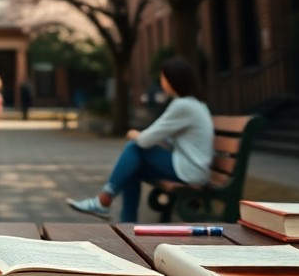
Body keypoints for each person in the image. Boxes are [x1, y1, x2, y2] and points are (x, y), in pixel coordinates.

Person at [66, 56, 213, 223]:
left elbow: (144, 140)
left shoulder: (183, 105)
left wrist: (133, 134)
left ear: (173, 79)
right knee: (132, 168)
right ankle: (126, 224)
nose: (162, 81)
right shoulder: (194, 103)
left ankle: (104, 200)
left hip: (191, 170)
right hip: (192, 168)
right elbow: (165, 139)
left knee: (134, 147)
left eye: (163, 77)